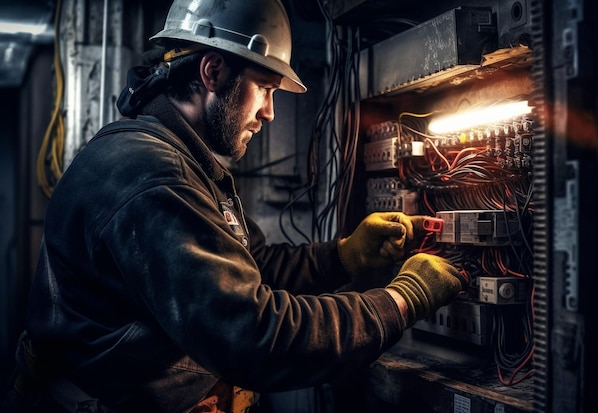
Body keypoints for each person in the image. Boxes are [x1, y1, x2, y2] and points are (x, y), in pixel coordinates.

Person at [3, 0, 467, 412]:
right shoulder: (152, 175)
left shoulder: (187, 162)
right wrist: (402, 299)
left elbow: (249, 268)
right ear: (212, 72)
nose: (269, 112)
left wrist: (346, 255)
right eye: (265, 87)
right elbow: (256, 339)